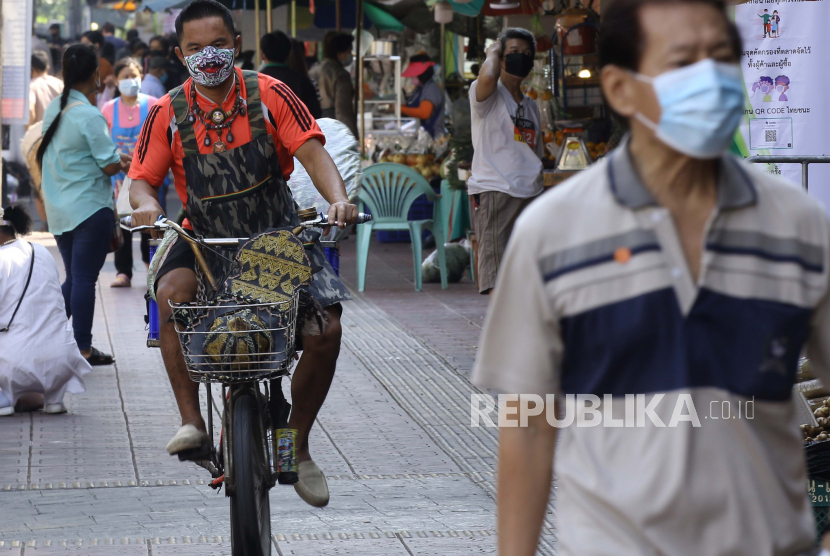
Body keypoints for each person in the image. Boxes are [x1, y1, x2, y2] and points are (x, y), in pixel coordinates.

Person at [472, 0, 830, 554]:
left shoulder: (798, 226)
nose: (709, 79)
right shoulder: (553, 234)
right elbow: (528, 425)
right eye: (683, 62)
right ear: (620, 88)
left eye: (722, 57)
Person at [127, 0, 358, 508]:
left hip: (275, 240)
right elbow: (142, 182)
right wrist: (145, 209)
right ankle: (192, 422)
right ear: (179, 52)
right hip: (203, 243)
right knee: (169, 295)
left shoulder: (272, 94)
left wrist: (338, 200)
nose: (207, 55)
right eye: (194, 47)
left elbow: (313, 153)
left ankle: (294, 445)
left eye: (216, 44)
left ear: (235, 44)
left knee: (326, 330)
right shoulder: (167, 111)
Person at [37, 44, 132, 367]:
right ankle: (83, 348)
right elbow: (107, 164)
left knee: (75, 278)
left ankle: (42, 336)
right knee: (84, 279)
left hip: (60, 208)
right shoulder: (89, 114)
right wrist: (123, 161)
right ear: (95, 75)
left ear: (64, 74)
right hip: (90, 208)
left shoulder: (55, 109)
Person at [467, 28, 543, 295]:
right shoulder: (487, 95)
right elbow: (487, 75)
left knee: (527, 278)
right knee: (498, 281)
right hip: (497, 193)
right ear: (500, 58)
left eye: (526, 54)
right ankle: (500, 337)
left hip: (531, 195)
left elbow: (536, 151)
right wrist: (492, 51)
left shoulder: (531, 106)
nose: (520, 58)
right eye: (513, 53)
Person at [0, 206, 91, 416]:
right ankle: (54, 400)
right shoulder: (39, 250)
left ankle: (6, 398)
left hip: (15, 366)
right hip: (62, 361)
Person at [102, 58, 159, 288]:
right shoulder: (108, 108)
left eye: (134, 75)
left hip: (148, 175)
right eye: (125, 76)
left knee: (150, 221)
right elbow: (103, 143)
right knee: (122, 222)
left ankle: (151, 265)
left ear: (141, 77)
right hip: (119, 177)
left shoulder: (154, 104)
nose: (130, 80)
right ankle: (123, 272)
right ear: (116, 80)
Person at [259, 31, 322, 118]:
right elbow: (316, 117)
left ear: (262, 55)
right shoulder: (302, 82)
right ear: (288, 54)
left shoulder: (252, 82)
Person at [314, 32, 357, 137]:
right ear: (340, 53)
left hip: (314, 125)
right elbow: (343, 111)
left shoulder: (314, 70)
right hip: (332, 127)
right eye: (349, 51)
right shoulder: (340, 74)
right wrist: (351, 137)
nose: (349, 55)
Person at [400, 54, 445, 138]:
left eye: (414, 75)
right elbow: (410, 106)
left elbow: (424, 113)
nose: (411, 78)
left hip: (432, 138)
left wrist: (400, 109)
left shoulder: (431, 88)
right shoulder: (420, 88)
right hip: (421, 136)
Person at [81, 31, 115, 107]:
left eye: (86, 44)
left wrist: (110, 83)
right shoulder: (75, 63)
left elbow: (110, 89)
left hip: (98, 108)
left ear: (96, 45)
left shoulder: (105, 65)